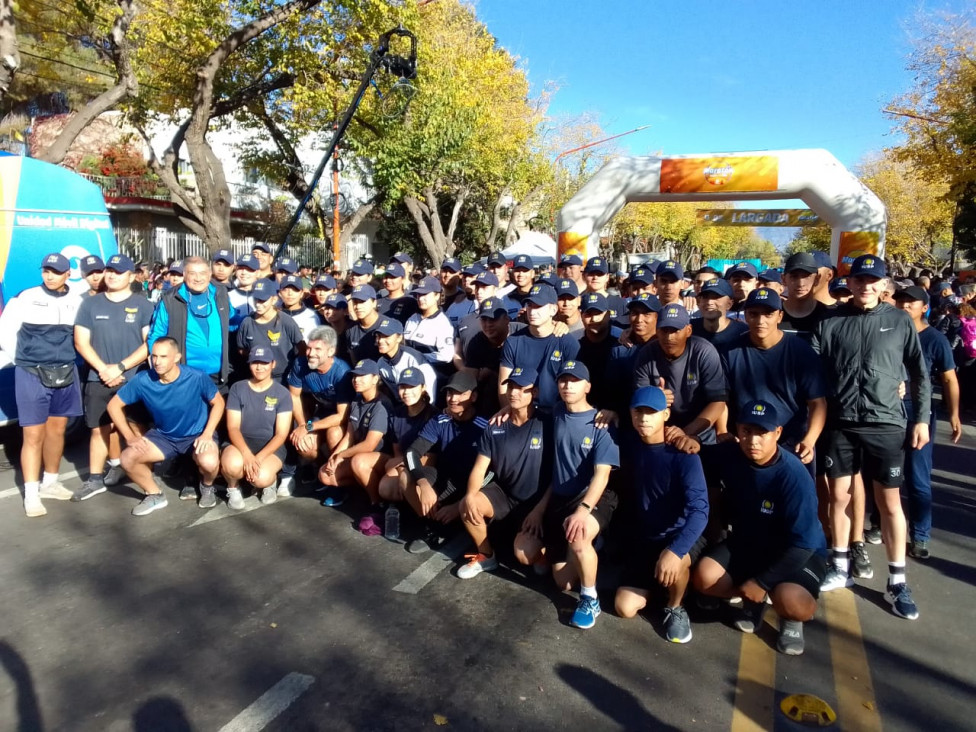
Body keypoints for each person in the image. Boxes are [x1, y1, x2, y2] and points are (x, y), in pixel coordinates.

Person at [812, 255, 930, 620]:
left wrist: (921, 419)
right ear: (849, 284)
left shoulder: (898, 321)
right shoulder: (831, 323)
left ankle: (897, 580)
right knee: (839, 497)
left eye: (872, 280)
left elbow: (919, 373)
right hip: (841, 422)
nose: (865, 286)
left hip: (886, 424)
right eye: (859, 280)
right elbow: (810, 372)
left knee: (889, 501)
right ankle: (840, 564)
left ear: (883, 285)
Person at [690, 400, 828, 655]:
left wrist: (762, 582)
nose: (752, 440)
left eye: (762, 433)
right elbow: (699, 453)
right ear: (738, 430)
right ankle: (754, 599)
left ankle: (789, 619)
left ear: (777, 433)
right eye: (746, 431)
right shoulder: (731, 454)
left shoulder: (794, 475)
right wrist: (683, 439)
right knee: (704, 577)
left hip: (796, 551)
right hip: (750, 542)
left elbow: (804, 544)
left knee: (793, 602)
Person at [513, 360, 619, 629]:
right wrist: (539, 509)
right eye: (563, 380)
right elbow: (525, 405)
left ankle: (589, 598)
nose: (567, 385)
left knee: (580, 533)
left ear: (588, 386)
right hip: (559, 499)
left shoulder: (602, 425)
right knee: (561, 581)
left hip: (594, 497)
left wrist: (583, 511)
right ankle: (587, 552)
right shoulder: (558, 412)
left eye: (574, 380)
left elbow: (602, 476)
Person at [615, 386, 708, 644]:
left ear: (666, 415)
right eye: (639, 412)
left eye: (652, 412)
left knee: (675, 562)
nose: (644, 418)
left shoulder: (684, 454)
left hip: (678, 534)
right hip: (646, 537)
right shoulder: (631, 441)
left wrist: (677, 550)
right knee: (624, 607)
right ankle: (659, 585)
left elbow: (700, 511)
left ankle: (676, 606)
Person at [0, 253, 84, 517]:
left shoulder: (77, 300)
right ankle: (32, 494)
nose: (49, 275)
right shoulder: (25, 297)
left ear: (67, 274)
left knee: (57, 431)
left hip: (66, 372)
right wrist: (24, 361)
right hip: (32, 373)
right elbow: (6, 331)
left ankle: (50, 482)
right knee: (33, 435)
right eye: (46, 270)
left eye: (56, 271)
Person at [884, 285, 962, 559]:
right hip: (886, 411)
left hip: (920, 413)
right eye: (901, 301)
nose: (904, 306)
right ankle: (877, 524)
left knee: (917, 477)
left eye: (911, 302)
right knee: (884, 474)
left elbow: (949, 378)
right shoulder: (887, 334)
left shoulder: (935, 339)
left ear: (924, 307)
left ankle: (920, 536)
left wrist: (953, 414)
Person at [108, 337, 225, 514]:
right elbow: (113, 406)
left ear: (177, 357)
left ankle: (207, 486)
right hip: (164, 437)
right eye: (154, 356)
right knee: (127, 458)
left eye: (163, 356)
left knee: (208, 463)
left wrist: (207, 434)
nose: (157, 361)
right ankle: (155, 495)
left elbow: (219, 403)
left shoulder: (196, 376)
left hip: (197, 433)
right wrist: (130, 436)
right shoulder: (143, 380)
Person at [72, 254, 155, 501]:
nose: (111, 275)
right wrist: (103, 369)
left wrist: (119, 367)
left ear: (131, 277)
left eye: (118, 272)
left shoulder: (144, 305)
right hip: (98, 378)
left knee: (136, 429)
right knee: (99, 430)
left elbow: (148, 344)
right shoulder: (90, 305)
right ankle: (95, 479)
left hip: (133, 379)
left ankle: (144, 477)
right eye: (109, 270)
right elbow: (81, 341)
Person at [456, 367, 550, 579]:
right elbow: (480, 467)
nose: (513, 392)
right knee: (467, 504)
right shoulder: (495, 425)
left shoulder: (548, 423)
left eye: (520, 388)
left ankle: (545, 552)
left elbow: (556, 476)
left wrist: (539, 511)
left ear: (534, 393)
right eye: (510, 387)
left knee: (526, 556)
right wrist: (470, 496)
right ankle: (486, 555)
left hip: (536, 501)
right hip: (504, 494)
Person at [722, 287, 827, 473]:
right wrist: (722, 430)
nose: (760, 321)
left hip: (792, 443)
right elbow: (721, 399)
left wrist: (809, 441)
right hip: (748, 443)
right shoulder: (730, 352)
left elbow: (817, 403)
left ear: (779, 316)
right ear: (745, 316)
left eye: (768, 314)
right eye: (754, 314)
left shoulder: (801, 352)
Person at [393, 371, 490, 553]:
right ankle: (432, 525)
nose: (452, 398)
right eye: (449, 393)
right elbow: (412, 453)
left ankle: (457, 522)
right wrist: (423, 484)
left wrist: (459, 505)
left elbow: (493, 473)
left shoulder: (486, 425)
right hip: (444, 477)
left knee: (476, 498)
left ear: (474, 396)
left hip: (473, 486)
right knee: (405, 475)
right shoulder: (440, 419)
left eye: (460, 393)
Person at [351, 367, 437, 533]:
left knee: (387, 484)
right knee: (359, 461)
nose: (406, 392)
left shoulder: (433, 415)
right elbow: (396, 449)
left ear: (423, 387)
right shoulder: (397, 414)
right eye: (402, 387)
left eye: (412, 387)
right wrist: (397, 466)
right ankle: (379, 506)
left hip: (422, 465)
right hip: (400, 460)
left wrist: (401, 468)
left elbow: (431, 458)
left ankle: (420, 520)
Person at [634, 304, 728, 443]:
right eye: (664, 330)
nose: (669, 336)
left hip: (701, 430)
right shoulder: (646, 354)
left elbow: (718, 401)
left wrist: (685, 432)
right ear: (657, 331)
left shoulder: (704, 351)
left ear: (688, 330)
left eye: (675, 330)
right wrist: (653, 397)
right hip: (660, 430)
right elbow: (638, 404)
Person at [221, 347, 293, 507]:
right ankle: (233, 488)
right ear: (249, 364)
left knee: (260, 478)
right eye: (255, 363)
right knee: (232, 466)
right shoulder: (237, 388)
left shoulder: (282, 393)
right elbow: (232, 427)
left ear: (273, 364)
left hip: (270, 447)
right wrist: (247, 455)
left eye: (264, 363)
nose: (259, 367)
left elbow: (281, 434)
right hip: (240, 442)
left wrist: (257, 459)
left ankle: (270, 483)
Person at [285, 325, 353, 494]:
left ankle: (339, 481)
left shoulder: (341, 372)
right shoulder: (300, 364)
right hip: (320, 413)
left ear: (330, 351)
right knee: (303, 445)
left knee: (334, 434)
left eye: (317, 349)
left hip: (343, 418)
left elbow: (341, 416)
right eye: (309, 348)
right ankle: (322, 469)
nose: (310, 353)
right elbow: (294, 396)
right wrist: (301, 425)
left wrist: (308, 427)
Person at [318, 358, 393, 508]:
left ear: (375, 379)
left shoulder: (381, 405)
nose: (356, 380)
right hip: (359, 456)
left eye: (362, 376)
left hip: (381, 458)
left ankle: (377, 503)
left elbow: (369, 445)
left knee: (359, 462)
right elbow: (349, 435)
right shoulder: (357, 400)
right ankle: (362, 486)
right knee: (324, 474)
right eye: (354, 376)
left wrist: (342, 455)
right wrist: (334, 457)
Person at [148, 256, 231, 388]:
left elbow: (231, 322)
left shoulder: (220, 293)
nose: (198, 278)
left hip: (218, 377)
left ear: (210, 274)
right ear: (185, 275)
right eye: (192, 274)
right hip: (184, 377)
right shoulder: (170, 299)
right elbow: (156, 335)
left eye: (203, 273)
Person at [499, 284, 580, 415]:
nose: (532, 311)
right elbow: (503, 386)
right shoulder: (513, 341)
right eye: (529, 305)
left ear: (553, 310)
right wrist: (512, 414)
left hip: (557, 414)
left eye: (539, 306)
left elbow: (577, 388)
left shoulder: (568, 343)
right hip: (522, 414)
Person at [236, 279, 304, 382]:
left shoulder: (286, 321)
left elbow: (302, 348)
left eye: (263, 300)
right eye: (256, 299)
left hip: (283, 379)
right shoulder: (247, 322)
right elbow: (241, 349)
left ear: (274, 299)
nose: (258, 304)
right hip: (257, 378)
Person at [403, 276, 455, 376]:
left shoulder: (443, 323)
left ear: (437, 296)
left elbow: (446, 356)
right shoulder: (412, 318)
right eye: (418, 295)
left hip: (429, 375)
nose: (420, 298)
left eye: (425, 294)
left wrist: (418, 357)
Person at [692, 277, 748, 353]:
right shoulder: (688, 329)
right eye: (705, 297)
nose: (709, 302)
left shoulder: (743, 333)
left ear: (729, 303)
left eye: (716, 297)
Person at [342, 284, 383, 362]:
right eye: (355, 302)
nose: (358, 306)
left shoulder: (387, 326)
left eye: (362, 302)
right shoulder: (350, 329)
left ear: (374, 303)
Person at [277, 274, 321, 341]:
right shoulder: (273, 315)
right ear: (280, 293)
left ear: (302, 293)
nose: (290, 293)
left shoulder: (311, 316)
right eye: (285, 290)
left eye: (295, 289)